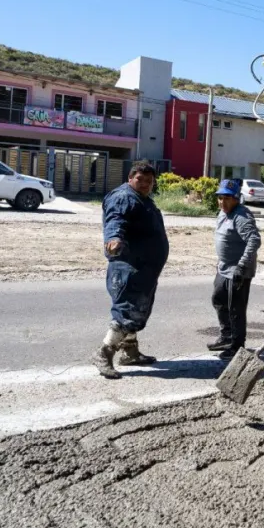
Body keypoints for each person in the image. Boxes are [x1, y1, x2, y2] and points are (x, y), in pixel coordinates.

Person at [93, 161, 169, 379]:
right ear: (130, 178)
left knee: (137, 310)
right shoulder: (123, 197)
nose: (145, 184)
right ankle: (104, 353)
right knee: (127, 311)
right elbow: (115, 221)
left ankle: (130, 352)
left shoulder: (142, 199)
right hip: (130, 268)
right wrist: (114, 239)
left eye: (149, 181)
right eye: (140, 180)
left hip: (143, 268)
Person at [209, 179, 262, 360]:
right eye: (220, 198)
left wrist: (241, 266)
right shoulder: (223, 213)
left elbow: (254, 240)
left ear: (236, 199)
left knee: (236, 309)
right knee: (218, 300)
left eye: (227, 198)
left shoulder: (242, 216)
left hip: (238, 271)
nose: (223, 202)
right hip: (224, 268)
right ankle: (226, 337)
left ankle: (237, 346)